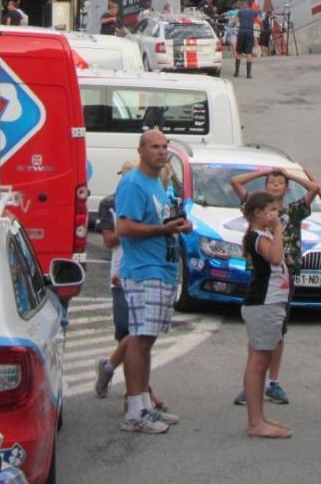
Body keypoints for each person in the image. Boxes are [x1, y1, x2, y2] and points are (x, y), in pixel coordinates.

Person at [228, 166, 321, 406]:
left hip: (286, 274)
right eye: (270, 182)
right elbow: (236, 182)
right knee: (260, 331)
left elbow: (314, 188)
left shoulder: (293, 210)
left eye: (279, 183)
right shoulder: (257, 208)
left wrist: (289, 174)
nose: (274, 185)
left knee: (278, 330)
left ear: (286, 189)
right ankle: (254, 384)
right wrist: (263, 171)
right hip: (262, 274)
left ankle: (272, 382)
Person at [115, 129, 190, 434]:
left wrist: (178, 226)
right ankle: (134, 411)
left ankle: (145, 404)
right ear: (141, 151)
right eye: (155, 147)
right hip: (145, 270)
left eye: (164, 147)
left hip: (163, 269)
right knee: (140, 339)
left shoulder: (158, 183)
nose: (161, 151)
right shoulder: (133, 183)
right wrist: (163, 230)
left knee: (148, 340)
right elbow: (123, 227)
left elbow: (159, 221)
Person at [94, 162, 170, 412]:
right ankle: (134, 398)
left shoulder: (158, 194)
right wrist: (151, 227)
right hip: (127, 271)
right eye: (124, 177)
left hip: (149, 269)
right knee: (131, 334)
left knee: (140, 336)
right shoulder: (110, 203)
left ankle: (131, 388)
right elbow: (111, 238)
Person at [239, 190, 293, 439]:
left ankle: (259, 416)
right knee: (259, 362)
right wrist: (279, 230)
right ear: (258, 213)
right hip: (263, 304)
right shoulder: (258, 237)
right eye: (271, 210)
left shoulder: (262, 234)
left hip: (271, 303)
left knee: (262, 361)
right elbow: (274, 259)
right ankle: (255, 421)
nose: (276, 214)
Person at [233, 0, 260, 78]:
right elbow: (260, 20)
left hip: (241, 32)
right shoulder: (254, 12)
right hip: (249, 32)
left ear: (246, 3)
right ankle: (248, 74)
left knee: (238, 52)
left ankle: (236, 73)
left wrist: (233, 24)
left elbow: (235, 22)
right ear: (252, 4)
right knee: (249, 52)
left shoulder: (240, 12)